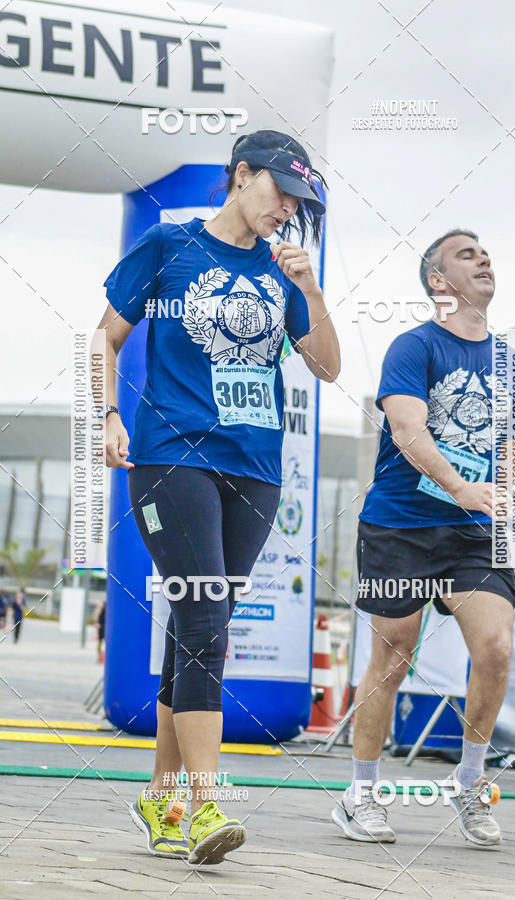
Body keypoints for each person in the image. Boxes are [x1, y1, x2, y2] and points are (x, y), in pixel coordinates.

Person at [98, 129, 340, 865]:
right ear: (242, 175)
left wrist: (310, 289)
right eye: (279, 191)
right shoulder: (169, 248)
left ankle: (160, 797)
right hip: (172, 458)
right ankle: (205, 808)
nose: (286, 210)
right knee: (202, 613)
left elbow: (327, 367)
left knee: (201, 629)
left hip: (256, 468)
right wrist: (108, 414)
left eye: (299, 202)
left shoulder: (282, 271)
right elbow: (105, 337)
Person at [331, 229, 515, 848]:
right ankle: (361, 794)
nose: (485, 259)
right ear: (438, 281)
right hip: (401, 522)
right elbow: (409, 430)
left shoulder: (511, 363)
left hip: (475, 533)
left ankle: (471, 787)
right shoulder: (412, 346)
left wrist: (506, 499)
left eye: (487, 253)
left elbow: (510, 450)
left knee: (495, 649)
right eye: (468, 255)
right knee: (393, 654)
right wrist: (460, 486)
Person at [94, 598, 106, 664]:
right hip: (102, 625)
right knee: (100, 641)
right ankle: (99, 656)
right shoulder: (102, 605)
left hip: (106, 625)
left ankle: (102, 656)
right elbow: (96, 613)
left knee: (103, 641)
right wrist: (96, 622)